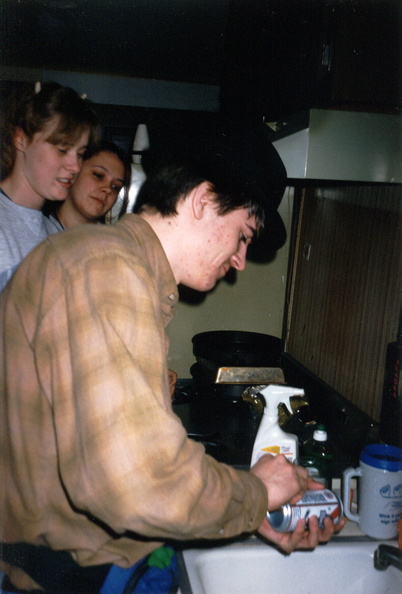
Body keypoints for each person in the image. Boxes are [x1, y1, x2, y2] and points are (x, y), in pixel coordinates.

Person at [0, 124, 345, 593]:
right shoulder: (107, 269)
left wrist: (247, 517)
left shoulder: (112, 266)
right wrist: (256, 493)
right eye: (243, 235)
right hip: (69, 577)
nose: (241, 261)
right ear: (203, 201)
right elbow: (137, 482)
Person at [0, 81, 99, 291]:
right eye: (62, 150)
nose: (75, 167)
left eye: (80, 154)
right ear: (21, 139)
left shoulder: (57, 236)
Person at [44, 140, 131, 229]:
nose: (108, 189)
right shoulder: (36, 231)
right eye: (98, 175)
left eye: (115, 187)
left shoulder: (113, 241)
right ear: (74, 171)